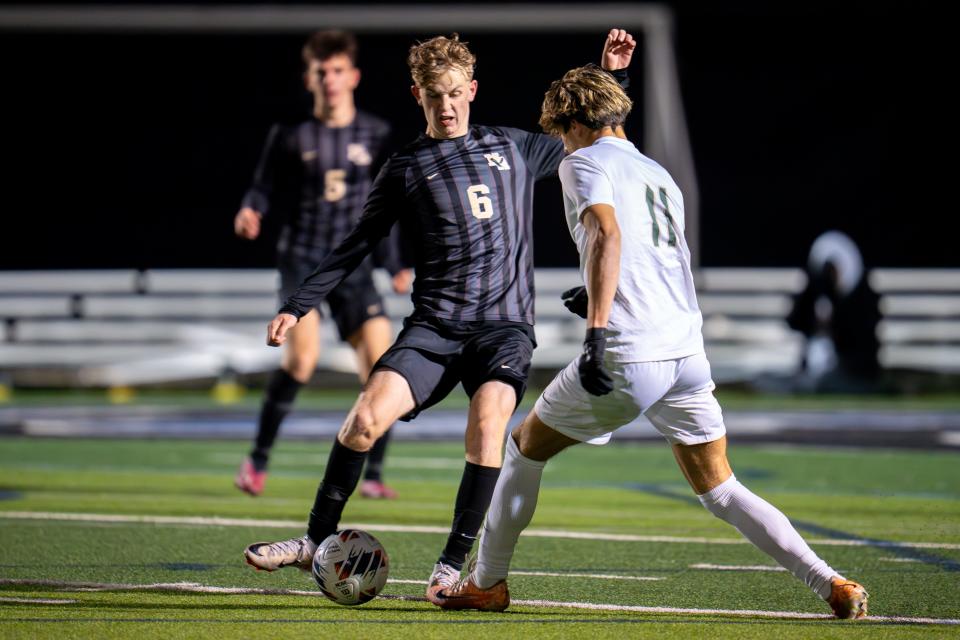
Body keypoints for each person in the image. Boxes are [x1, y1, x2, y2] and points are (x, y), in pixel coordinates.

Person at [432, 64, 869, 620]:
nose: (560, 142)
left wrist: (594, 331)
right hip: (684, 350)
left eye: (561, 129)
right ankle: (829, 582)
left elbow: (606, 233)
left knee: (521, 449)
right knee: (721, 489)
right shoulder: (657, 172)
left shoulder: (582, 161)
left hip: (628, 350)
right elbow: (651, 256)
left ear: (573, 122)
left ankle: (488, 582)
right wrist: (590, 289)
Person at [242, 30, 636, 603]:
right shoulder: (406, 167)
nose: (446, 106)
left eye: (454, 92)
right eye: (434, 96)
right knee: (361, 423)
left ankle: (451, 566)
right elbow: (357, 244)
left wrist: (614, 78)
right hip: (433, 328)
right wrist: (296, 304)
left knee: (487, 432)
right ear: (417, 96)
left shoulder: (515, 146)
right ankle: (314, 541)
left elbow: (603, 143)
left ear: (471, 89)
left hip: (502, 330)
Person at [233, 30, 412, 499]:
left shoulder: (374, 133)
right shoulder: (291, 136)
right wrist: (251, 209)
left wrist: (395, 264)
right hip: (305, 262)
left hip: (354, 264)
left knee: (382, 368)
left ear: (352, 76)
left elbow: (385, 204)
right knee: (302, 361)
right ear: (309, 78)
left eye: (337, 71)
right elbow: (261, 188)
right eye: (321, 72)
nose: (329, 80)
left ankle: (373, 474)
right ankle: (257, 461)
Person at [786, 230, 882, 393]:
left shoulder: (861, 300)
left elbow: (862, 353)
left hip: (851, 374)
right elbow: (793, 322)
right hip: (813, 371)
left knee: (824, 383)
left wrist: (834, 323)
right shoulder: (816, 293)